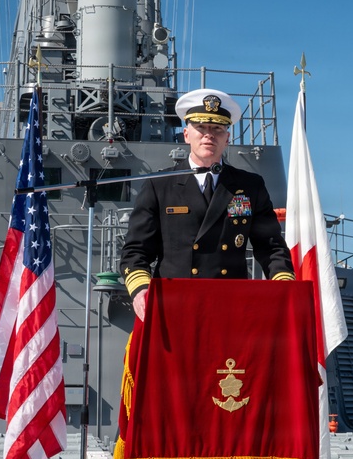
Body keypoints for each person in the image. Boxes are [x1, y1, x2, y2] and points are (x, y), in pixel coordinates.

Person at [119, 88, 294, 319]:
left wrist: (283, 284)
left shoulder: (250, 186)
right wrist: (141, 290)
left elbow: (271, 246)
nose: (208, 135)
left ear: (227, 138)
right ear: (186, 135)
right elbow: (136, 250)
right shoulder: (160, 185)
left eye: (217, 129)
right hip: (173, 308)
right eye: (201, 127)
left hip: (231, 307)